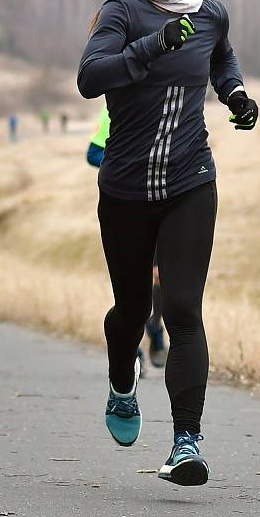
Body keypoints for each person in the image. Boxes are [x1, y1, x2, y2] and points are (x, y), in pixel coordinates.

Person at [77, 0, 258, 487]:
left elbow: (221, 61)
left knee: (182, 308)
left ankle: (186, 442)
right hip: (127, 190)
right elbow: (89, 77)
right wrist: (151, 47)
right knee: (131, 310)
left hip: (189, 181)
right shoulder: (122, 12)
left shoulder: (211, 13)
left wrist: (234, 96)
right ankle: (122, 381)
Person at [86, 103, 168, 370]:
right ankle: (135, 355)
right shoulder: (113, 102)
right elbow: (93, 153)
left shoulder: (170, 97)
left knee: (159, 277)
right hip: (126, 205)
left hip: (164, 203)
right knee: (133, 284)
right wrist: (123, 160)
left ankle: (155, 331)